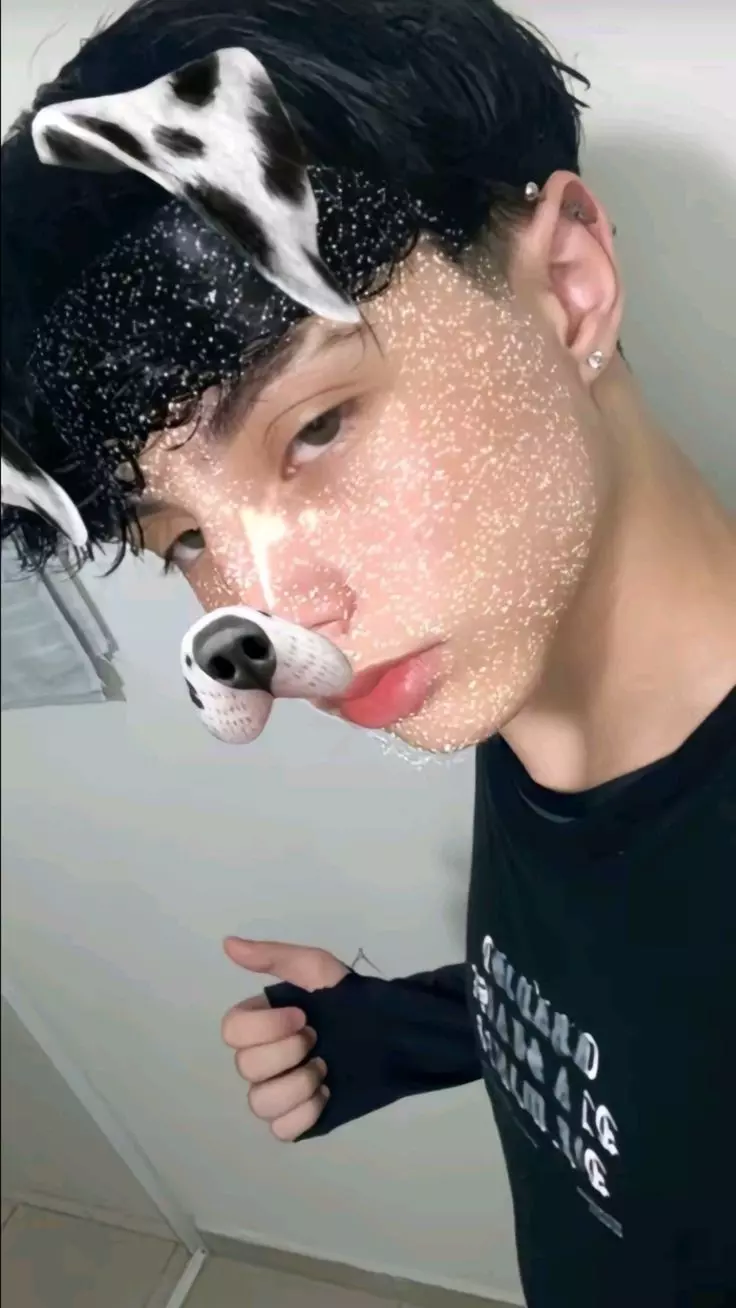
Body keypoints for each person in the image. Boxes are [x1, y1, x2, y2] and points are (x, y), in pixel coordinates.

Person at [2, 2, 734, 1304]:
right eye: (185, 539)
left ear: (569, 287)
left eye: (318, 427)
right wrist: (436, 1027)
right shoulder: (536, 685)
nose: (270, 617)